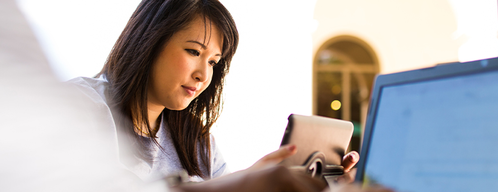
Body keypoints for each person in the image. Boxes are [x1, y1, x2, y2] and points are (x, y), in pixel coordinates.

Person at [68, 0, 362, 183]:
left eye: (213, 62)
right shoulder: (79, 106)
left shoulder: (196, 141)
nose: (203, 75)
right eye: (193, 51)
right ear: (149, 41)